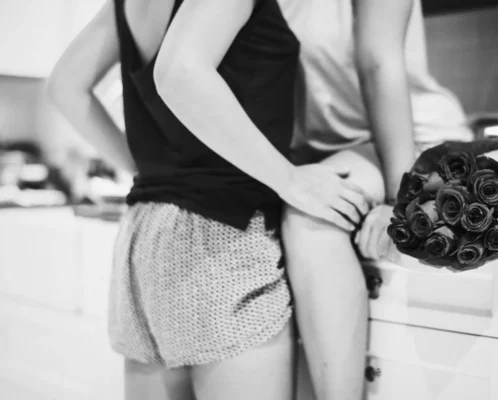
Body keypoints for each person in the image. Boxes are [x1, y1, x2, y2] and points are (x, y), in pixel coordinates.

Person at [47, 1, 369, 399]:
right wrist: (288, 179)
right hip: (221, 238)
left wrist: (143, 169)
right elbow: (179, 72)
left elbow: (64, 85)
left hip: (144, 236)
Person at [277, 0, 473, 399]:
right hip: (332, 150)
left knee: (311, 216)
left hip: (414, 141)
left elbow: (377, 61)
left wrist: (401, 196)